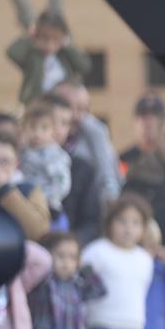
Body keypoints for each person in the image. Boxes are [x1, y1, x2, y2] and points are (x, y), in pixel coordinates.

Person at [82, 193, 155, 329]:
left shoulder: (145, 259)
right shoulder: (96, 252)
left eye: (135, 223)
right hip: (102, 326)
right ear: (109, 223)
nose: (128, 228)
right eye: (122, 221)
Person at [28, 232, 106, 329]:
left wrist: (86, 271)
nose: (66, 263)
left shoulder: (77, 284)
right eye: (60, 256)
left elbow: (99, 291)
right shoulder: (45, 282)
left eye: (72, 258)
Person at [37, 93, 104, 245]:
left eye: (66, 124)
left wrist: (68, 244)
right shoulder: (14, 162)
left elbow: (92, 223)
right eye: (53, 122)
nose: (60, 130)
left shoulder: (82, 169)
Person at [51, 82, 120, 202]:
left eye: (84, 109)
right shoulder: (40, 137)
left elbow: (109, 179)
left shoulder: (96, 136)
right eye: (72, 108)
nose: (78, 116)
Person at [6, 10, 91, 106]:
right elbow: (12, 53)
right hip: (38, 103)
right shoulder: (33, 55)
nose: (50, 44)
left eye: (55, 39)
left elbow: (84, 66)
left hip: (63, 102)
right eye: (45, 38)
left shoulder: (64, 54)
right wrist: (30, 37)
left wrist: (68, 45)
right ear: (37, 36)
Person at [19, 101, 72, 228]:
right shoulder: (22, 152)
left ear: (53, 131)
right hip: (25, 205)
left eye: (44, 128)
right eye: (32, 127)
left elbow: (61, 183)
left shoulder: (55, 155)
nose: (37, 133)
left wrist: (44, 198)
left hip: (48, 207)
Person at [120, 92, 165, 172]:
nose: (149, 122)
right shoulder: (123, 161)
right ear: (135, 122)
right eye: (143, 116)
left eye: (155, 116)